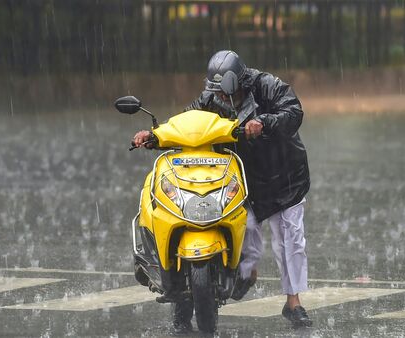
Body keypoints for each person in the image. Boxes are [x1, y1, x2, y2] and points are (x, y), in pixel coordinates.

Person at [132, 50, 312, 331]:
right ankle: (237, 277)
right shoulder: (211, 98)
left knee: (290, 240)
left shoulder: (267, 85)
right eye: (218, 94)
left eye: (228, 94)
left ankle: (294, 303)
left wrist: (263, 122)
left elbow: (294, 111)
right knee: (246, 240)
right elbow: (187, 122)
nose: (224, 100)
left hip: (283, 177)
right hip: (243, 179)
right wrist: (155, 134)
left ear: (240, 83)